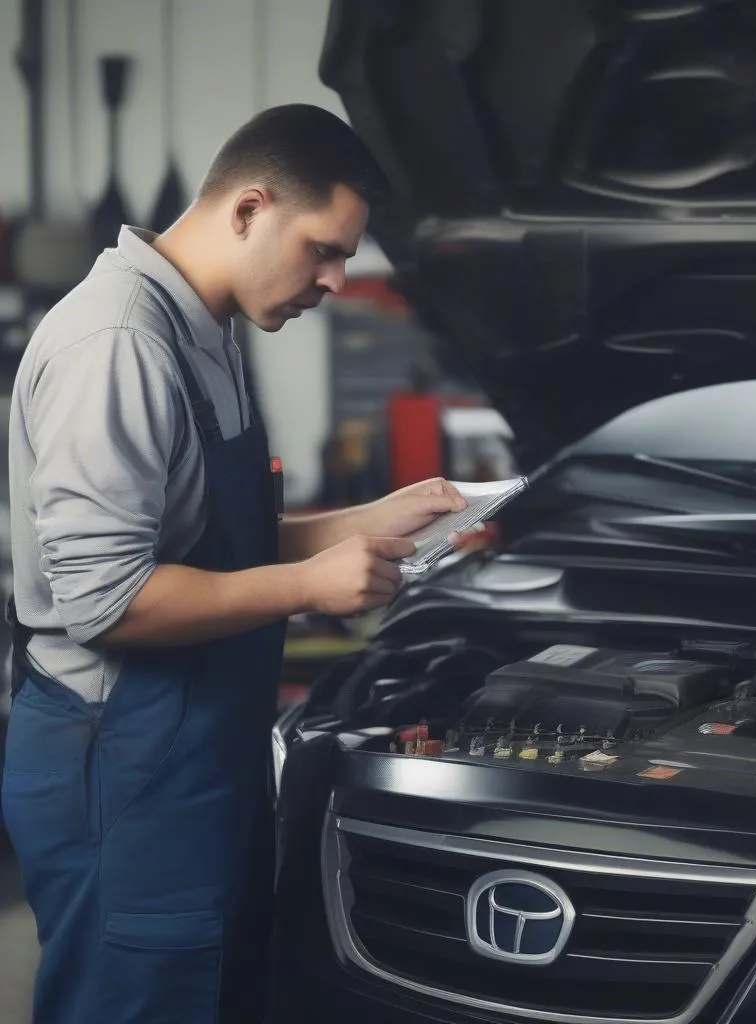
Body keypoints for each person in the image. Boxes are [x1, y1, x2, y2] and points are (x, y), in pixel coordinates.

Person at [1, 103, 468, 1023]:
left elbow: (215, 539)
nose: (336, 280)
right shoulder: (121, 343)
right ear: (250, 209)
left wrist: (364, 521)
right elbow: (108, 599)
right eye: (325, 250)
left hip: (199, 747)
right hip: (121, 769)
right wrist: (308, 587)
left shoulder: (207, 324)